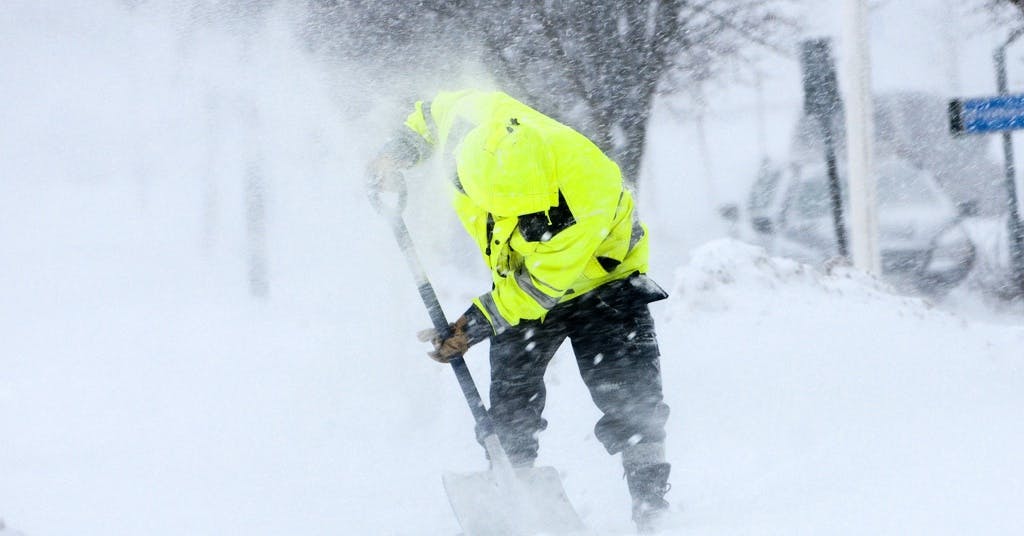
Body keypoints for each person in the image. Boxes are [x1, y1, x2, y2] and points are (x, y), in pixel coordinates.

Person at [369, 89, 672, 532]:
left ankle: (653, 510)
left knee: (631, 397)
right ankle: (515, 489)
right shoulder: (476, 120)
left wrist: (474, 324)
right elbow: (429, 115)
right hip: (524, 281)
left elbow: (541, 286)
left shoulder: (588, 189)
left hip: (605, 283)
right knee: (512, 397)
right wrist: (395, 154)